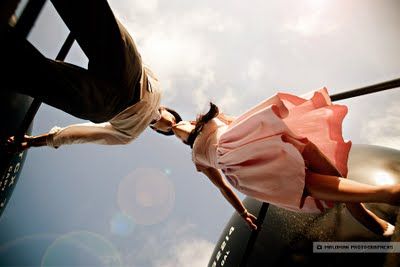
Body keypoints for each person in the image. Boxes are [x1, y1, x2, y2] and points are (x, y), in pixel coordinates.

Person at [151, 88, 399, 236]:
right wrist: (243, 212)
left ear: (166, 109)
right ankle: (385, 194)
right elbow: (222, 187)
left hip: (247, 138)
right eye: (152, 124)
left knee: (308, 152)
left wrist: (275, 125)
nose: (157, 121)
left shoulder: (213, 118)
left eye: (157, 114)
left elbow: (240, 122)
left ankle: (360, 209)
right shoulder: (197, 158)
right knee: (305, 181)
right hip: (242, 165)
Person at [1, 0, 179, 150]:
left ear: (157, 131)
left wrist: (35, 141)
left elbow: (84, 134)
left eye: (168, 132)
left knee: (42, 79)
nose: (171, 127)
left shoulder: (129, 135)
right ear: (168, 110)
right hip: (131, 70)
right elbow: (133, 53)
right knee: (92, 17)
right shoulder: (157, 87)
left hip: (109, 104)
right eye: (174, 120)